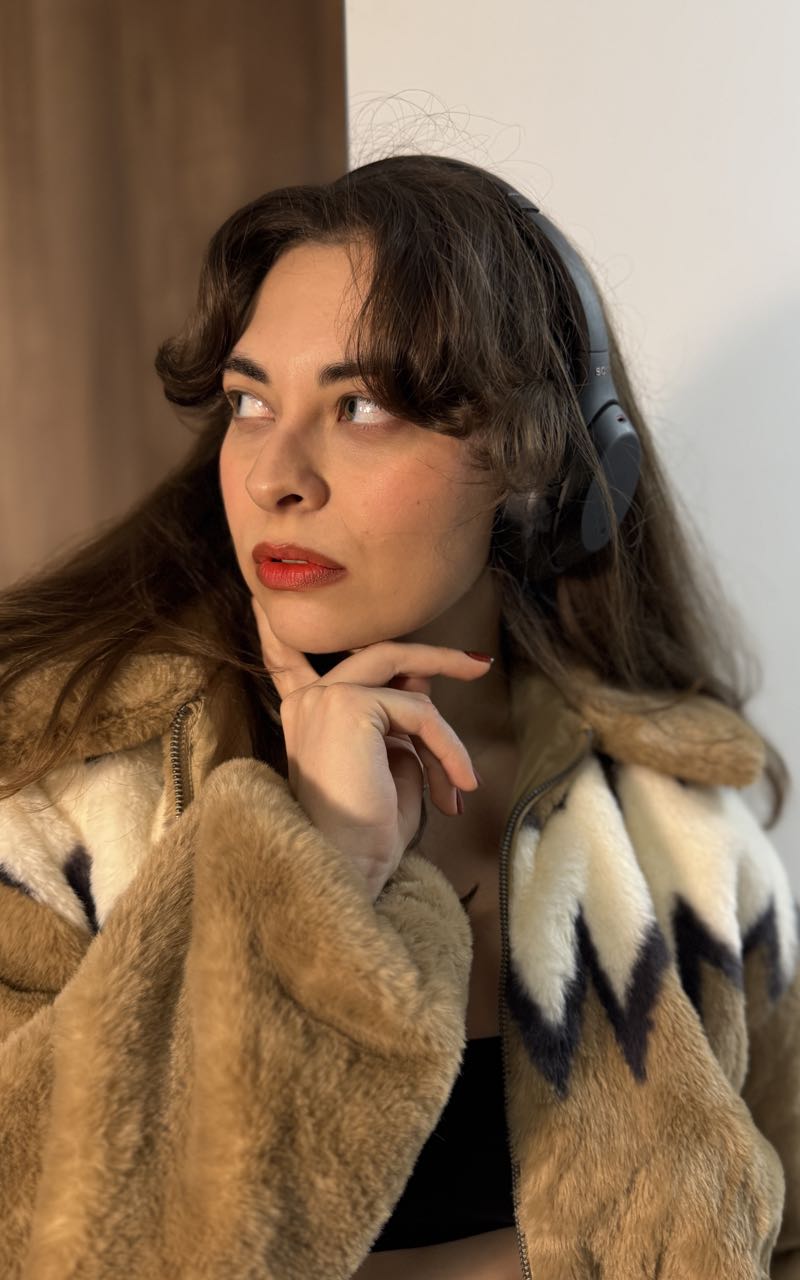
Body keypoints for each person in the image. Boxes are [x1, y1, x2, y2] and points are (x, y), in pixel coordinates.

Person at [0, 152, 796, 1280]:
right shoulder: (54, 797)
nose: (273, 476)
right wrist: (317, 866)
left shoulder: (677, 821)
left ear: (543, 465)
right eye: (249, 403)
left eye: (360, 407)